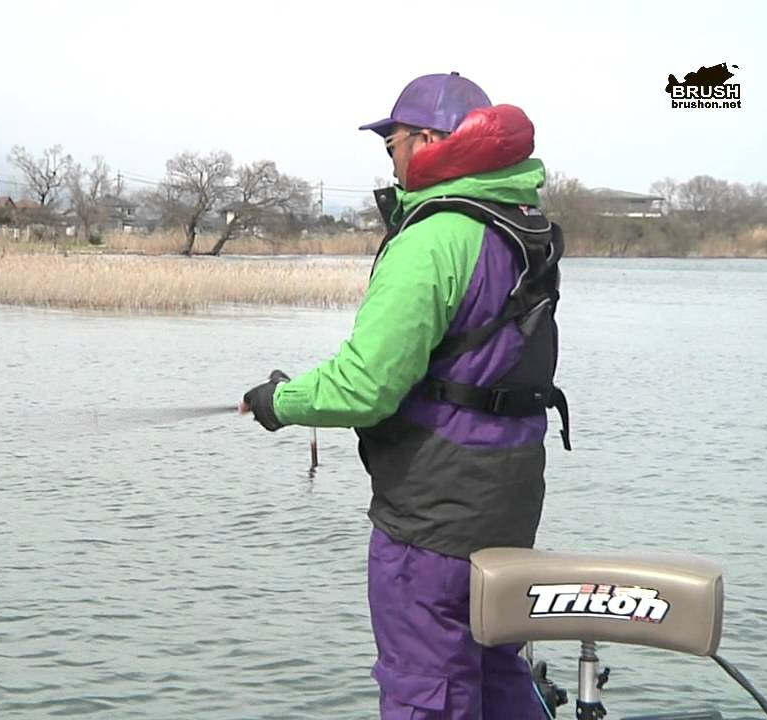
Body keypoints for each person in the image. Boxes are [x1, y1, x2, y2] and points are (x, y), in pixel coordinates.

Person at [240, 72, 570, 719]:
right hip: (510, 498)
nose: (389, 159)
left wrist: (280, 403)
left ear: (425, 140)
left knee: (428, 687)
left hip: (432, 512)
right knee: (498, 670)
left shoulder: (434, 237)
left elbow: (365, 387)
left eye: (391, 144)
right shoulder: (518, 226)